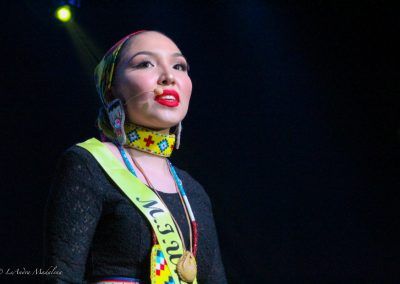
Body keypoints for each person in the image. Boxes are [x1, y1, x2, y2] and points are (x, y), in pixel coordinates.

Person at [44, 30, 227, 284]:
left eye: (179, 66)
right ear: (110, 91)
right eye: (145, 64)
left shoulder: (194, 191)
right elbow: (60, 276)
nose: (168, 77)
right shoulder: (88, 164)